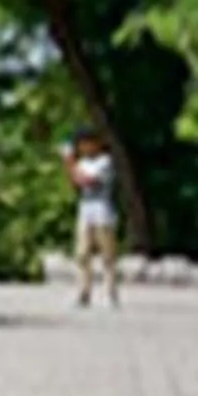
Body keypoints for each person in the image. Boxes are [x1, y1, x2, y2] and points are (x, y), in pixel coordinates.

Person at [67, 132, 121, 308]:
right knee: (82, 253)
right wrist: (71, 167)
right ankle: (84, 291)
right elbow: (75, 182)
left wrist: (71, 165)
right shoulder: (82, 163)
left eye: (87, 143)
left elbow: (90, 181)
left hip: (102, 209)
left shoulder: (105, 162)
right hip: (86, 208)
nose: (84, 148)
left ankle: (110, 291)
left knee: (107, 253)